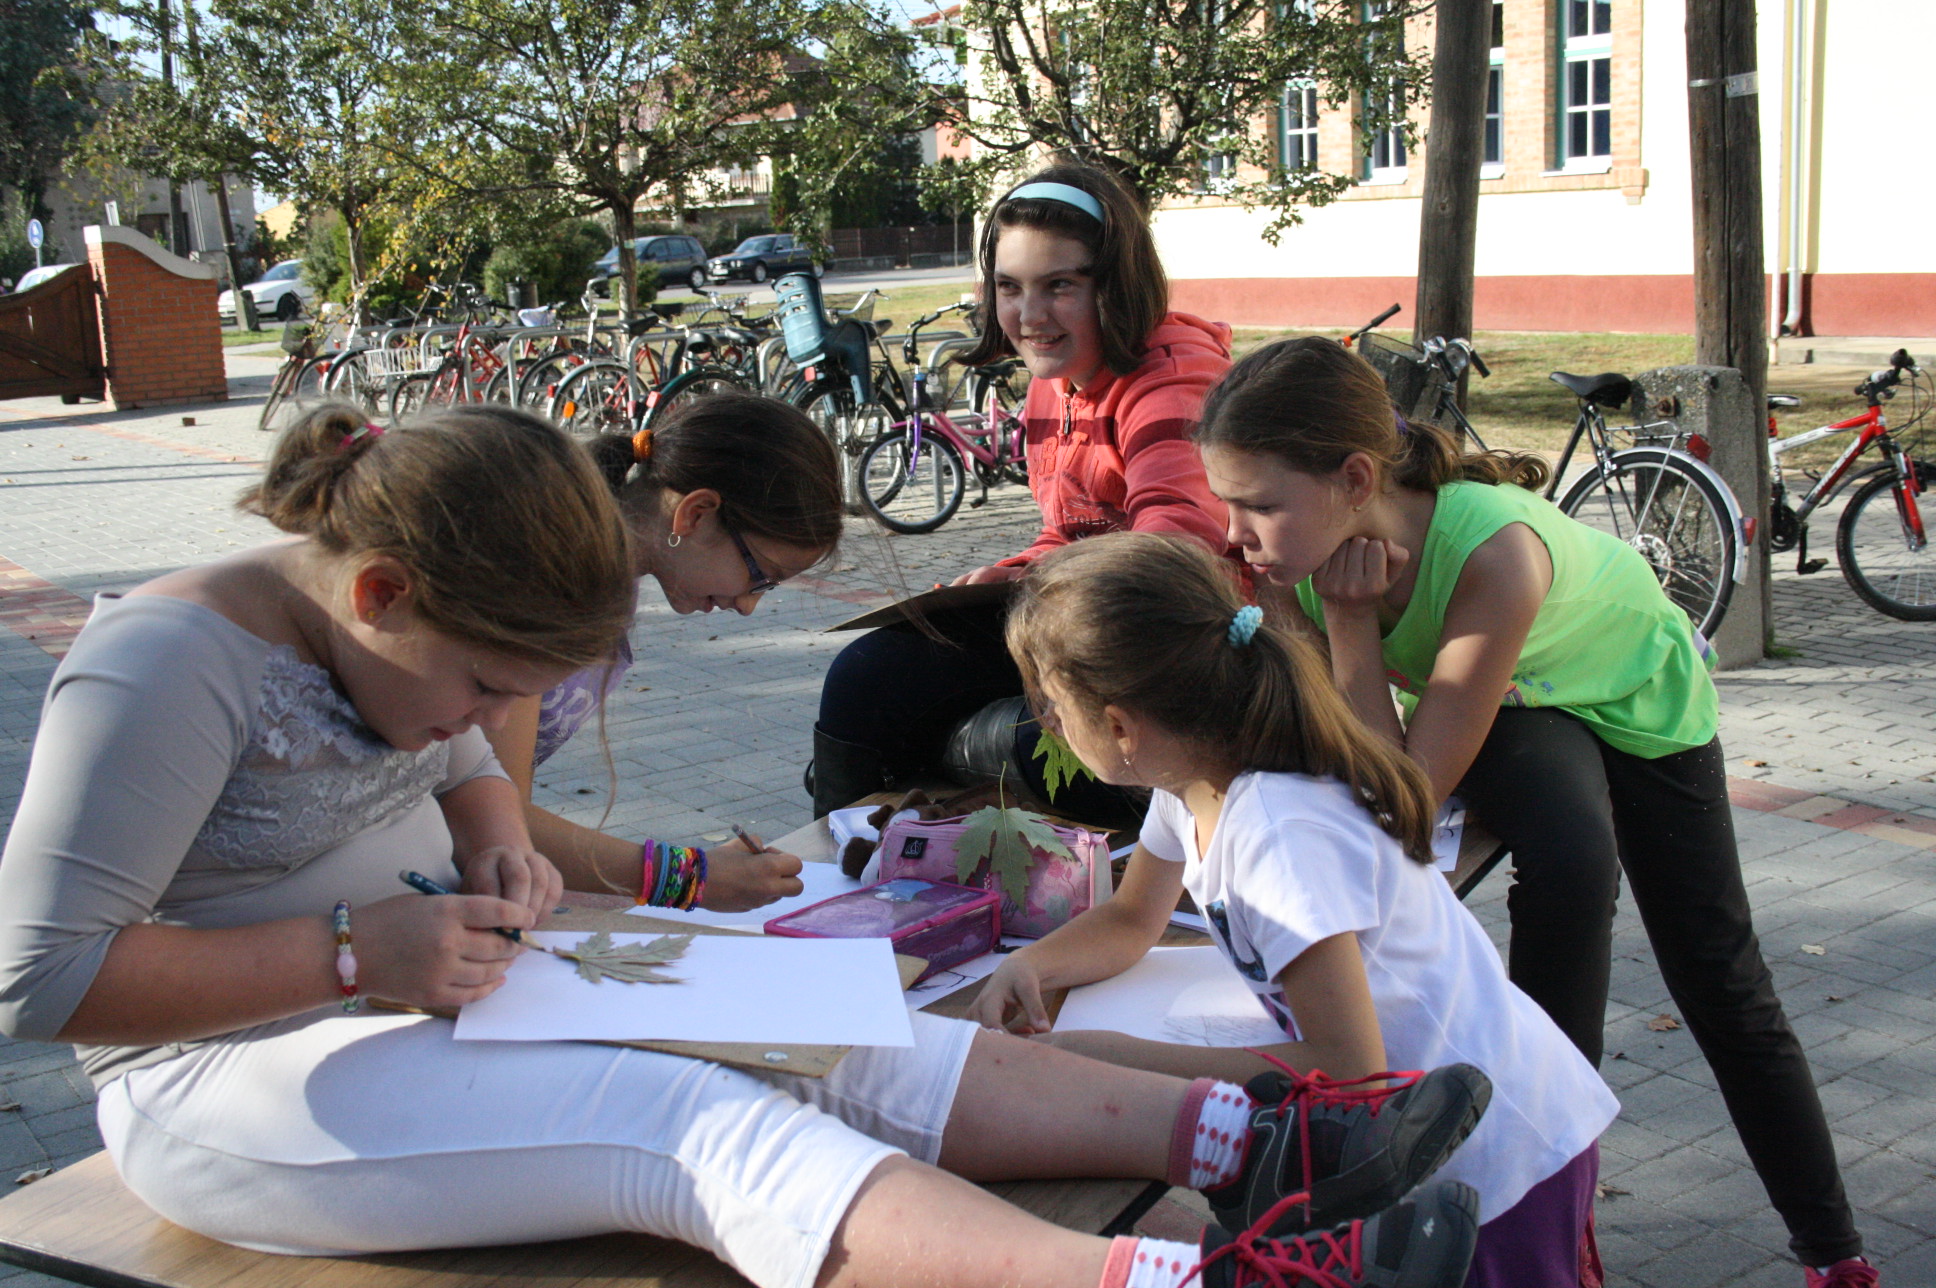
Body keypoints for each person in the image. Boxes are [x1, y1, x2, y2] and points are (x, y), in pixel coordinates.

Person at [0, 402, 1484, 1288]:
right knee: (690, 1124)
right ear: (381, 592)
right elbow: (39, 981)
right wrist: (347, 953)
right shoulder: (162, 665)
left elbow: (460, 768)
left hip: (423, 988)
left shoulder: (392, 635)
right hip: (219, 1080)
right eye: (491, 684)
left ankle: (1247, 1138)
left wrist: (499, 845)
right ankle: (1190, 1275)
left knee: (807, 1015)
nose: (487, 723)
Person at [1190, 335, 1877, 1288]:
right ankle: (1552, 1176)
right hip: (1525, 703)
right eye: (1227, 503)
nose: (1234, 533)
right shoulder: (1300, 566)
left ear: (1355, 480)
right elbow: (1387, 795)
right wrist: (1339, 619)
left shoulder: (1493, 553)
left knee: (1719, 974)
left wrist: (1348, 625)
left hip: (1638, 692)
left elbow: (1406, 793)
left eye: (1258, 504)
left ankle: (1833, 1249)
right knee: (1571, 863)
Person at [973, 531, 1616, 1288]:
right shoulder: (1192, 782)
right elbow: (1133, 918)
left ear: (1119, 725)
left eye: (1049, 704)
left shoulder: (1278, 835)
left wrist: (1115, 1060)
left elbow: (1351, 1070)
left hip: (1494, 1157)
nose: (1046, 722)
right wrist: (1034, 964)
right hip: (1421, 1139)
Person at [810, 161, 1234, 821]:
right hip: (1086, 632)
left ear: (1117, 285)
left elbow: (1172, 562)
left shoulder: (1173, 379)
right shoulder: (1055, 377)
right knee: (868, 677)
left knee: (1014, 744)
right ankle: (845, 860)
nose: (1030, 317)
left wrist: (1036, 597)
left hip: (1176, 659)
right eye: (1009, 287)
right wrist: (1013, 573)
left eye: (1059, 285)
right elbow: (1072, 530)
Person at [487, 391, 843, 913]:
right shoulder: (542, 582)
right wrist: (688, 878)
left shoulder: (608, 578)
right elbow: (489, 816)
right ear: (696, 514)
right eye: (762, 575)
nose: (749, 606)